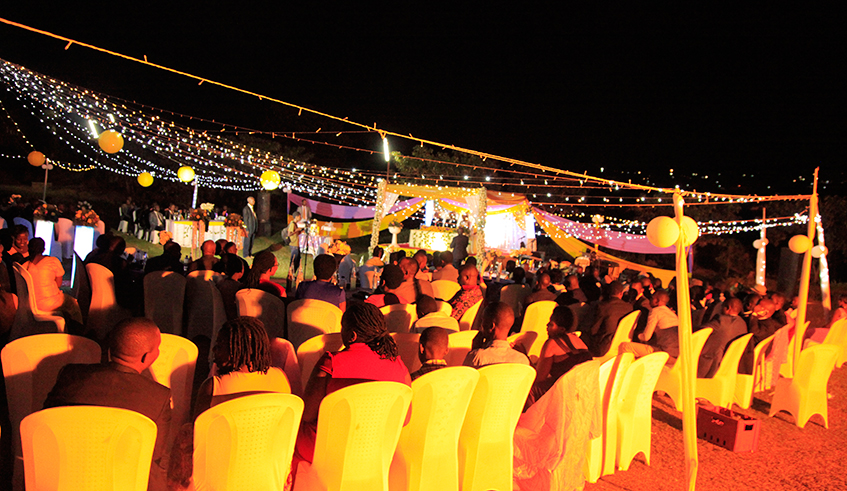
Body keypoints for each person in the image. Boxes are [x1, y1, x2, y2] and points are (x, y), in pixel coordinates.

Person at [43, 318, 171, 491]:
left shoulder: (70, 374)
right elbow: (153, 457)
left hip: (62, 476)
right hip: (119, 481)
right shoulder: (158, 397)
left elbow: (45, 424)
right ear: (146, 356)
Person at [295, 301, 410, 464]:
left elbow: (308, 414)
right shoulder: (398, 365)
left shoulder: (331, 362)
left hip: (327, 451)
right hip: (376, 450)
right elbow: (405, 419)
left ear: (352, 335)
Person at [193, 317, 291, 418]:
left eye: (219, 345)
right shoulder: (280, 377)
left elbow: (197, 429)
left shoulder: (213, 386)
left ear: (237, 350)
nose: (214, 350)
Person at [528, 305, 592, 404]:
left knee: (531, 389)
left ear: (562, 329)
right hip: (583, 391)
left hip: (565, 393)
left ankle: (529, 419)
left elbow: (539, 379)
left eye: (551, 324)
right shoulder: (579, 341)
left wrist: (524, 355)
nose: (547, 326)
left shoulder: (552, 343)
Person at [23, 238, 84, 327]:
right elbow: (58, 284)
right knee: (72, 303)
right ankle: (78, 329)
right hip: (49, 303)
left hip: (30, 303)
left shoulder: (25, 265)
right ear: (43, 249)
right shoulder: (52, 261)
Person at [463, 302, 529, 367]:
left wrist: (474, 351)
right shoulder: (522, 360)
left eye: (482, 321)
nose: (481, 326)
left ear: (491, 326)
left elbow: (466, 376)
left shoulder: (477, 357)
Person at [578, 281, 633, 357]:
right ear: (621, 293)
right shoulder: (629, 308)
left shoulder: (603, 306)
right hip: (620, 343)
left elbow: (593, 330)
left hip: (602, 347)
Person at [619, 289, 678, 358]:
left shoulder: (655, 311)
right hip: (677, 355)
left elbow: (646, 337)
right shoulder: (672, 314)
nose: (649, 300)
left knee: (625, 346)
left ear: (657, 301)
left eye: (652, 298)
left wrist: (638, 335)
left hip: (664, 353)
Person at [698, 297, 748, 378]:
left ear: (728, 308)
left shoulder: (720, 320)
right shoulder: (743, 324)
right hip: (729, 365)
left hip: (711, 366)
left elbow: (699, 331)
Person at [286, 211, 304, 278]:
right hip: (294, 244)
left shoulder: (295, 224)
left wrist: (300, 231)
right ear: (296, 217)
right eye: (299, 216)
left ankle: (293, 273)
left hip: (296, 244)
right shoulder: (292, 224)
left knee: (297, 260)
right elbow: (289, 234)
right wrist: (296, 230)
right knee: (294, 260)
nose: (300, 217)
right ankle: (291, 274)